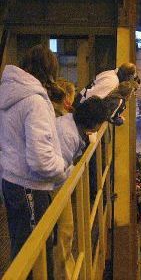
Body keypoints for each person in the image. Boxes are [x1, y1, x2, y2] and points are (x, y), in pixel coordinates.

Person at [0, 45, 67, 279]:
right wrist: (63, 170)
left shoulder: (9, 92)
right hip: (30, 186)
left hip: (11, 181)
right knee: (36, 255)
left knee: (20, 247)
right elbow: (40, 160)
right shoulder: (35, 101)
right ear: (48, 71)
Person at [53, 96, 109, 279]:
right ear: (93, 123)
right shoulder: (68, 135)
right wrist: (75, 174)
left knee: (66, 231)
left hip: (55, 184)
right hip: (53, 186)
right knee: (64, 232)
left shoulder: (70, 126)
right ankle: (64, 274)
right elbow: (57, 171)